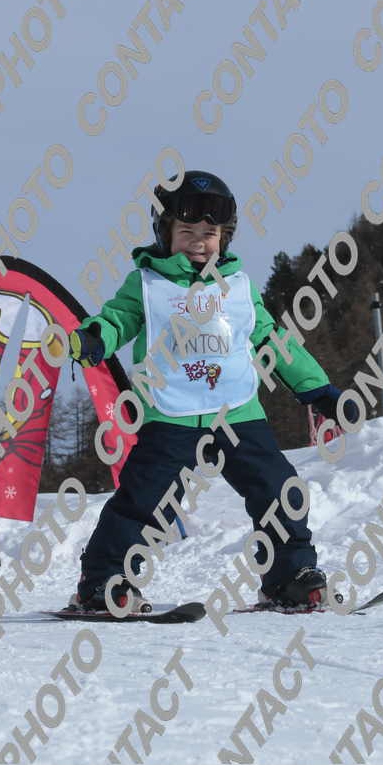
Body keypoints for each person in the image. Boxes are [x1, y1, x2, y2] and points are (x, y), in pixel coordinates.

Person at [65, 170, 348, 614]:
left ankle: (289, 577)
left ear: (224, 237)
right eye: (187, 232)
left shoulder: (239, 287)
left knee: (280, 490)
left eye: (209, 234)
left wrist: (317, 388)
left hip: (238, 413)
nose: (199, 243)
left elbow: (272, 340)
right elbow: (116, 319)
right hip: (170, 414)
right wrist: (93, 338)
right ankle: (103, 581)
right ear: (165, 233)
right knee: (146, 501)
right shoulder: (146, 285)